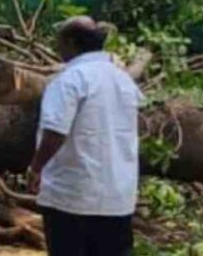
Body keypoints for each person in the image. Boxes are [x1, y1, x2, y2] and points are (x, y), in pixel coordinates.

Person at [27, 16, 143, 256]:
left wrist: (36, 168)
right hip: (117, 197)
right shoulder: (123, 80)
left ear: (70, 42)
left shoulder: (69, 79)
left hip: (73, 195)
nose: (57, 48)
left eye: (58, 42)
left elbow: (56, 131)